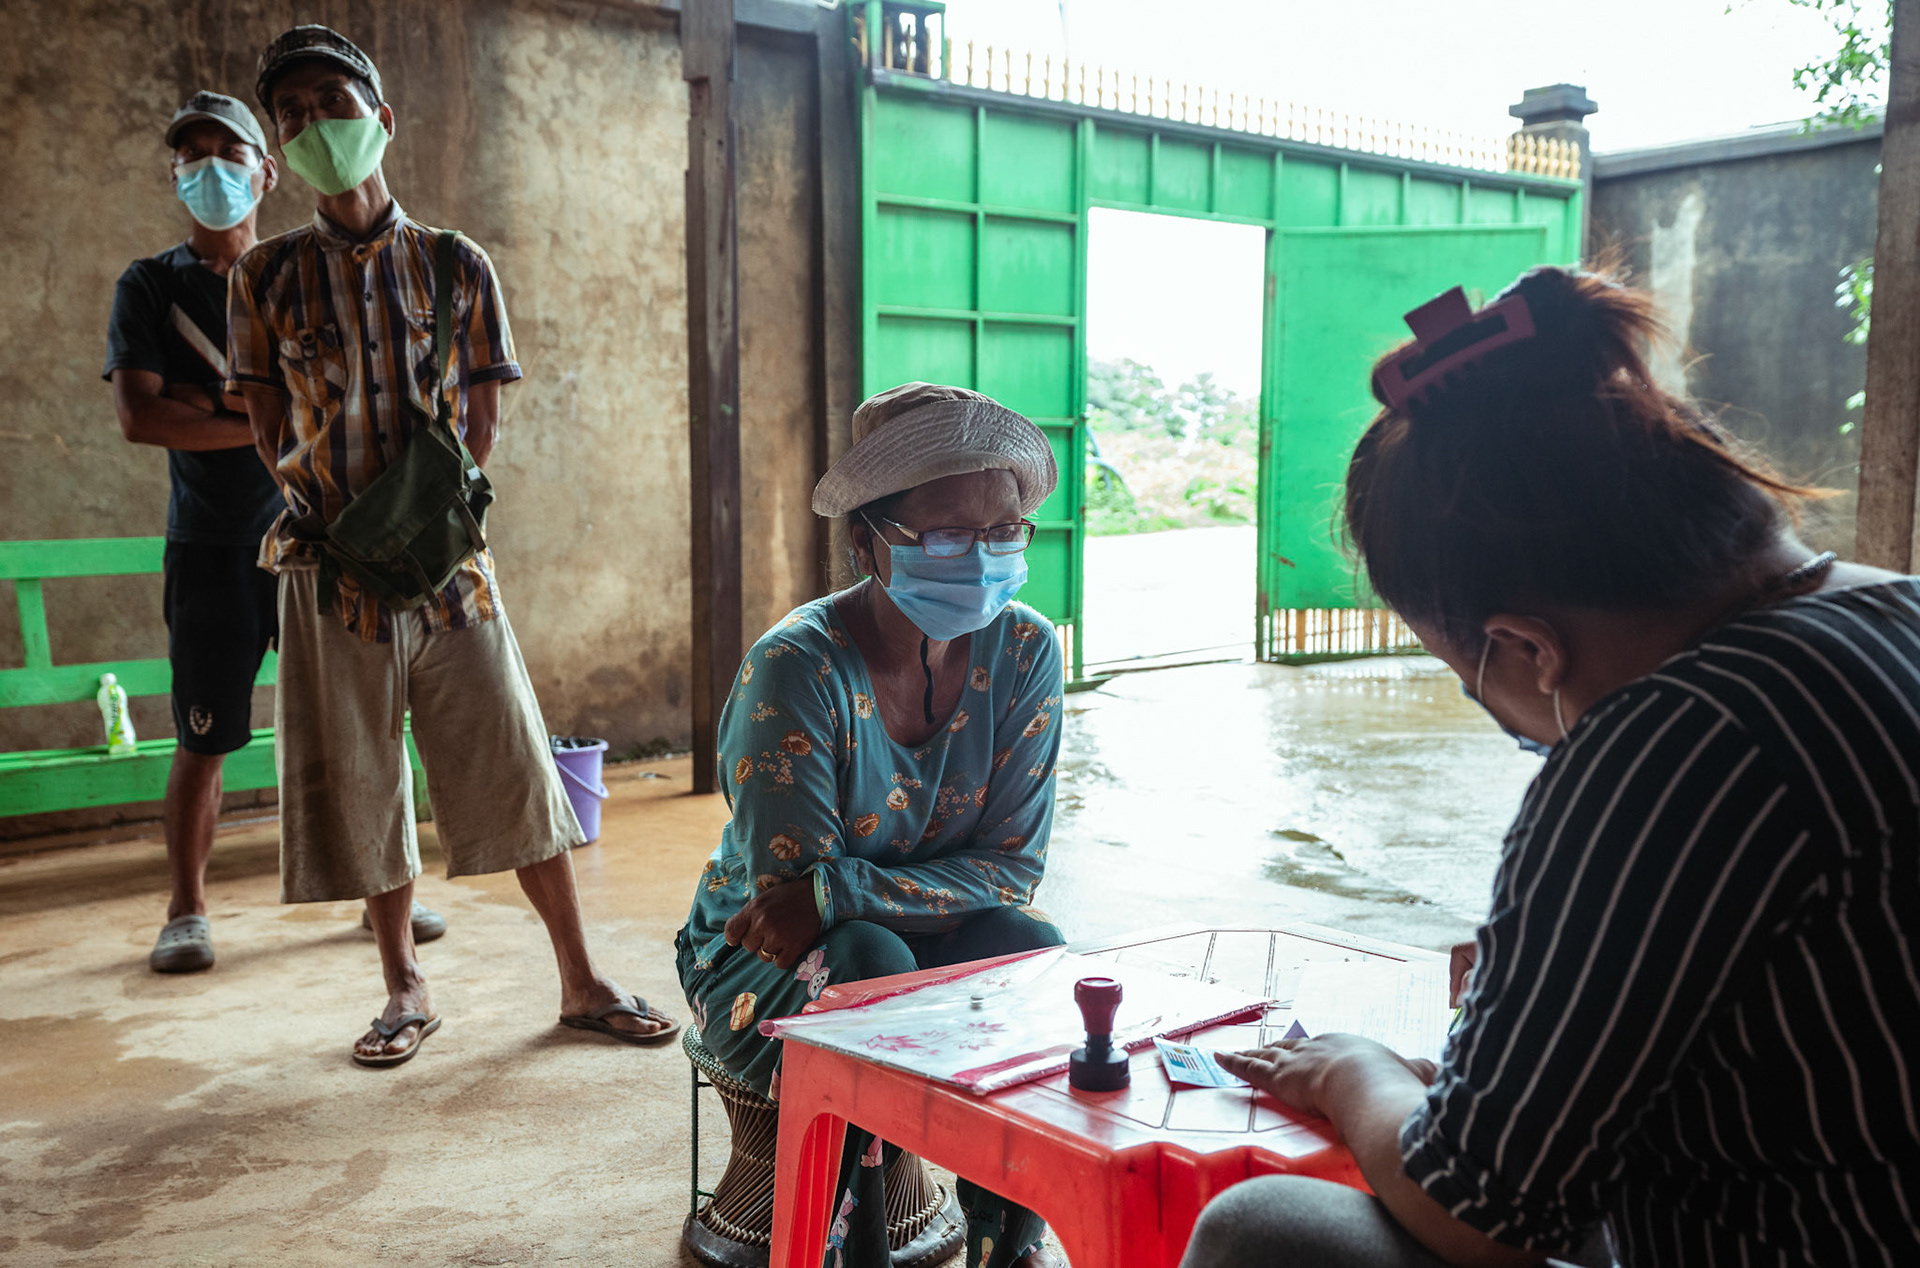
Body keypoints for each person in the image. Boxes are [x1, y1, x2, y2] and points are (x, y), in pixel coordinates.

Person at [1180, 266, 1920, 1267]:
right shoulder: (1893, 611)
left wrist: (1350, 1071)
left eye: (1467, 677)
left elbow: (1480, 1213)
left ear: (1526, 647)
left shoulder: (1674, 739)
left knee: (1266, 1232)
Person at [228, 26, 675, 1067]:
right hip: (331, 572)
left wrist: (426, 524)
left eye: (330, 103)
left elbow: (480, 420)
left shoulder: (452, 263)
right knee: (363, 775)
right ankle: (403, 984)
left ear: (380, 119)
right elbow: (260, 419)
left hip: (449, 570)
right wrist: (335, 515)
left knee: (511, 762)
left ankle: (580, 975)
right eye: (290, 114)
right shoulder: (264, 277)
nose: (310, 126)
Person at [676, 382, 1069, 1268]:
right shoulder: (796, 669)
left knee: (1027, 944)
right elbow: (784, 912)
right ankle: (857, 1256)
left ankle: (1008, 1245)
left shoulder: (1026, 650)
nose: (980, 560)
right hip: (754, 961)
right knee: (867, 963)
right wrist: (834, 900)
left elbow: (1011, 873)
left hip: (882, 929)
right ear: (867, 541)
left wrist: (843, 888)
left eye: (1003, 532)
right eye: (945, 535)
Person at [106, 91, 444, 974]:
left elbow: (327, 400)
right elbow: (142, 419)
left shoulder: (299, 276)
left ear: (267, 169)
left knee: (356, 729)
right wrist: (259, 417)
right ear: (174, 174)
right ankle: (185, 909)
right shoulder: (149, 286)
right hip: (212, 546)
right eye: (192, 155)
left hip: (317, 541)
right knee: (204, 733)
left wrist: (209, 402)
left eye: (229, 151)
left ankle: (383, 904)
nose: (210, 170)